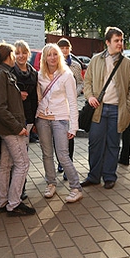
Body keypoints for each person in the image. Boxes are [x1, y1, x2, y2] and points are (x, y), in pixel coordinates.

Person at [81, 27, 130, 189]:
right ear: (107, 42)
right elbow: (87, 82)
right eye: (116, 40)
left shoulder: (128, 64)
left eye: (121, 40)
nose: (120, 43)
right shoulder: (95, 60)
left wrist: (127, 107)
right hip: (98, 110)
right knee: (95, 143)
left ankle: (109, 176)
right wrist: (90, 96)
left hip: (117, 111)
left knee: (113, 144)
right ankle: (93, 176)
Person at [0, 42, 36, 216]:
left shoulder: (1, 72)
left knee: (6, 164)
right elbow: (0, 107)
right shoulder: (2, 74)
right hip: (10, 128)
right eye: (14, 53)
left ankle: (3, 201)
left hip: (6, 127)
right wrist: (18, 128)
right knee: (22, 164)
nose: (16, 56)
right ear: (8, 56)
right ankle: (14, 203)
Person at [35, 44, 83, 203]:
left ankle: (76, 187)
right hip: (42, 118)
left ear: (59, 56)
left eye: (55, 54)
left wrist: (74, 126)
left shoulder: (66, 74)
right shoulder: (39, 75)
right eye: (49, 55)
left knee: (62, 154)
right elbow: (38, 98)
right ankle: (51, 183)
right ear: (44, 58)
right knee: (46, 154)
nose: (52, 57)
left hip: (61, 118)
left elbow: (73, 101)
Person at [11, 40, 38, 199]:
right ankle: (12, 190)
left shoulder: (33, 72)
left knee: (24, 155)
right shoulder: (10, 71)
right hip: (14, 119)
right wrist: (17, 95)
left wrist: (34, 120)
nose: (21, 56)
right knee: (14, 157)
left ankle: (21, 188)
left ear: (28, 54)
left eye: (24, 52)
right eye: (18, 52)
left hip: (27, 118)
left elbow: (35, 98)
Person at [56, 38, 83, 178]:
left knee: (69, 136)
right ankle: (61, 161)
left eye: (67, 47)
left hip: (70, 105)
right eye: (62, 48)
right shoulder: (53, 64)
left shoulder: (76, 66)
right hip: (56, 106)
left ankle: (68, 164)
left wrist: (73, 94)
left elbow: (80, 83)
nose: (64, 50)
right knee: (57, 135)